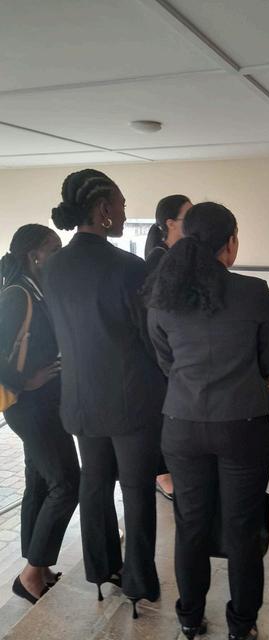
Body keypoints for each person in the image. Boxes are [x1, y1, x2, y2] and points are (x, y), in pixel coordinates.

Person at [145, 202, 269, 640]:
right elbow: (268, 361)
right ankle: (241, 625)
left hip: (182, 425)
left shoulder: (164, 294)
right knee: (242, 528)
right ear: (230, 243)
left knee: (191, 525)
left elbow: (165, 361)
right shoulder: (254, 292)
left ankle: (189, 617)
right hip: (243, 424)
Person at [43, 169, 166, 617]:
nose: (126, 213)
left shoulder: (52, 266)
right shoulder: (129, 267)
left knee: (94, 485)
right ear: (104, 210)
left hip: (79, 397)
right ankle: (138, 582)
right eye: (122, 204)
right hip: (132, 400)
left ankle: (100, 570)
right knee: (136, 490)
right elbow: (150, 337)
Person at [0, 224, 79, 605]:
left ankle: (38, 568)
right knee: (67, 482)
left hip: (44, 404)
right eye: (54, 249)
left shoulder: (36, 291)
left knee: (41, 483)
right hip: (30, 407)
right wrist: (25, 381)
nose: (59, 256)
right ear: (34, 256)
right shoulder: (16, 295)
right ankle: (31, 573)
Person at [144, 194, 192, 500]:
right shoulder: (159, 259)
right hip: (160, 353)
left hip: (176, 351)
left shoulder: (178, 255)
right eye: (189, 217)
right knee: (163, 413)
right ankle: (162, 473)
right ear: (170, 223)